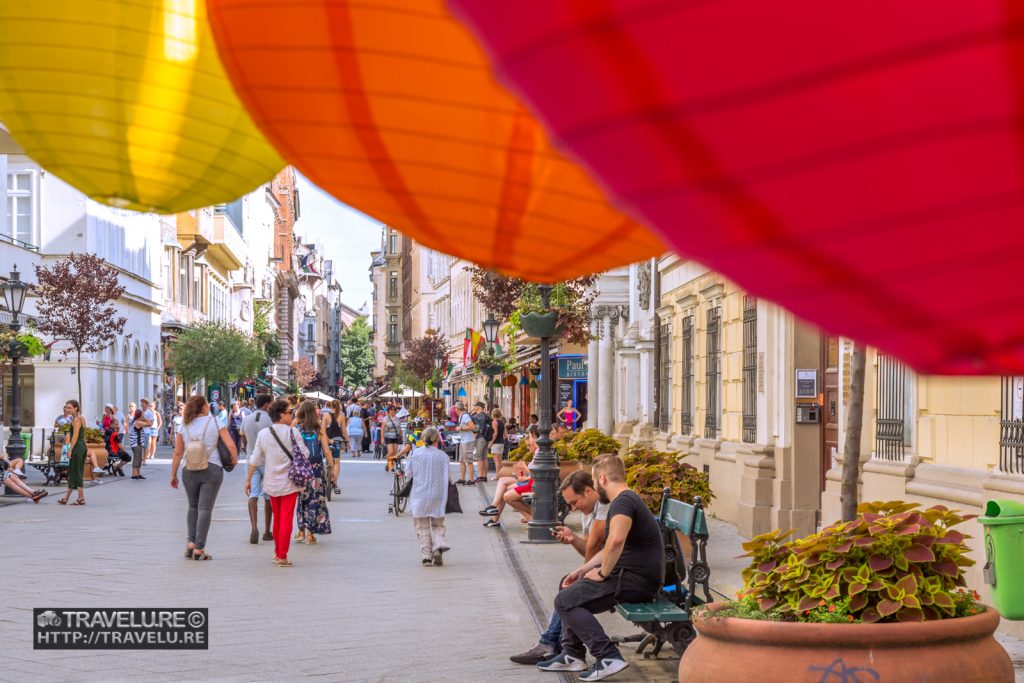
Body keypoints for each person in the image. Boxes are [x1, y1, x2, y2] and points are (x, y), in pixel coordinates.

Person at [537, 454, 663, 680]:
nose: (595, 487)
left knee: (564, 601)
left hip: (635, 580)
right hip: (632, 575)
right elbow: (609, 548)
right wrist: (583, 571)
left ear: (602, 479)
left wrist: (603, 573)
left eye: (595, 482)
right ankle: (572, 655)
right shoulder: (625, 500)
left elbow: (615, 542)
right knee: (568, 589)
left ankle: (608, 656)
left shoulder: (623, 502)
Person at [511, 470, 607, 664]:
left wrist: (582, 573)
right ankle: (556, 645)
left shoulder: (604, 508)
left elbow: (595, 550)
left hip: (619, 576)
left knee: (569, 592)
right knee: (568, 585)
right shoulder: (591, 512)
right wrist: (573, 540)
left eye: (574, 502)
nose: (574, 508)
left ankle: (566, 649)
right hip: (605, 570)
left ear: (589, 491)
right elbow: (591, 552)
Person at [170, 395, 238, 561]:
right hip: (212, 469)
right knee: (205, 509)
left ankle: (190, 543)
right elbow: (230, 445)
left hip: (189, 469)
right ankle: (199, 548)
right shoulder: (215, 422)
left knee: (192, 506)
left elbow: (178, 452)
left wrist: (173, 474)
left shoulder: (184, 425)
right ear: (204, 407)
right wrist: (234, 459)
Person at [245, 399, 305, 567]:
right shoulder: (293, 433)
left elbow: (255, 459)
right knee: (286, 519)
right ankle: (282, 554)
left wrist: (248, 478)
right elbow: (305, 454)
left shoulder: (264, 433)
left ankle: (277, 552)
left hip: (271, 482)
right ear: (281, 415)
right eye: (289, 412)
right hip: (289, 482)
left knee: (277, 519)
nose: (291, 415)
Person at [406, 426, 450, 566]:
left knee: (422, 526)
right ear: (437, 439)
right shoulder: (443, 456)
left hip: (420, 494)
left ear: (422, 438)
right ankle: (438, 546)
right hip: (438, 494)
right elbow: (448, 476)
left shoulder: (414, 454)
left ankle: (426, 555)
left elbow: (409, 474)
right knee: (438, 524)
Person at [294, 401, 333, 545]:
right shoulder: (319, 430)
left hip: (301, 470)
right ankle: (311, 534)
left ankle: (301, 532)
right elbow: (327, 451)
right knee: (315, 500)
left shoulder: (296, 429)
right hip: (316, 470)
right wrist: (332, 468)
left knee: (301, 499)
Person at [240, 394, 275, 544]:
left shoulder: (246, 418)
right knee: (268, 497)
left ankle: (254, 527)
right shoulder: (270, 420)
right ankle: (267, 530)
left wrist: (247, 448)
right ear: (267, 405)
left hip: (251, 459)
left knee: (252, 495)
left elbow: (242, 436)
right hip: (267, 461)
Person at [57, 400, 88, 505]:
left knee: (77, 472)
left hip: (77, 447)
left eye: (70, 408)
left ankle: (81, 498)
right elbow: (82, 435)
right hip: (81, 446)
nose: (67, 409)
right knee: (73, 472)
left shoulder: (76, 420)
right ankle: (66, 498)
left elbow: (74, 436)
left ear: (76, 408)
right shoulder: (82, 419)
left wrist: (69, 450)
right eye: (67, 407)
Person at [323, 399, 346, 495]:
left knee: (327, 460)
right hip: (337, 440)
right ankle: (334, 482)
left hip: (327, 441)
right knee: (336, 462)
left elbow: (322, 430)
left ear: (330, 406)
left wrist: (327, 439)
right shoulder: (341, 416)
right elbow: (344, 430)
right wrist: (347, 441)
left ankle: (326, 479)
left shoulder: (326, 416)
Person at [452, 401, 478, 485]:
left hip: (468, 441)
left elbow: (472, 427)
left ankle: (471, 480)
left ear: (457, 408)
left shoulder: (465, 416)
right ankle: (462, 478)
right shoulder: (461, 416)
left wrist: (461, 428)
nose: (454, 410)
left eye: (455, 408)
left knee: (469, 461)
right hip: (463, 440)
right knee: (461, 460)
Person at [127, 408, 152, 480]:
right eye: (143, 414)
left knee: (139, 459)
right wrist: (144, 419)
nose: (144, 415)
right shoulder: (138, 422)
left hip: (137, 443)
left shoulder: (134, 421)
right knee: (136, 458)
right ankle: (134, 474)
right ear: (140, 415)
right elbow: (150, 424)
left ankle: (138, 474)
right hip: (136, 443)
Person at [470, 402, 491, 483]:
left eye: (474, 406)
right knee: (485, 457)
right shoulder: (486, 416)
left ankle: (481, 476)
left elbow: (475, 429)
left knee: (479, 458)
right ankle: (485, 476)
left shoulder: (476, 416)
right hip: (486, 438)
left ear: (478, 407)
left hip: (480, 438)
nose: (474, 407)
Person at [382, 405, 402, 471]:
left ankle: (392, 465)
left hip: (395, 436)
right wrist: (382, 438)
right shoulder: (385, 418)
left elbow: (399, 428)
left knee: (395, 452)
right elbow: (382, 429)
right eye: (391, 409)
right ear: (388, 411)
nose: (393, 411)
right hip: (388, 436)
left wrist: (401, 436)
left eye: (394, 410)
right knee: (391, 451)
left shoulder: (397, 418)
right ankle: (388, 463)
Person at [138, 398, 156, 467]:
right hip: (139, 430)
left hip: (146, 431)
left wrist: (143, 421)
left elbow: (151, 423)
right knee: (139, 446)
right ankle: (139, 459)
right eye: (141, 402)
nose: (141, 404)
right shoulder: (139, 411)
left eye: (143, 402)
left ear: (146, 404)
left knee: (145, 446)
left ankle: (144, 459)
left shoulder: (149, 412)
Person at [144, 399, 163, 464]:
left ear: (154, 406)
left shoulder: (156, 413)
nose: (150, 407)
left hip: (154, 429)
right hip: (148, 428)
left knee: (153, 443)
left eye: (151, 406)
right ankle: (148, 454)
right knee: (149, 442)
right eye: (149, 406)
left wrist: (158, 428)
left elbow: (160, 422)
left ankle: (152, 454)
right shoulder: (147, 412)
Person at [489, 408, 506, 477]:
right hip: (501, 442)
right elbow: (505, 434)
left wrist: (490, 443)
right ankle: (501, 475)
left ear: (493, 414)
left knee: (496, 461)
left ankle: (497, 476)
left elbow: (495, 433)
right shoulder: (502, 422)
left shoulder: (494, 422)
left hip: (496, 443)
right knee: (500, 460)